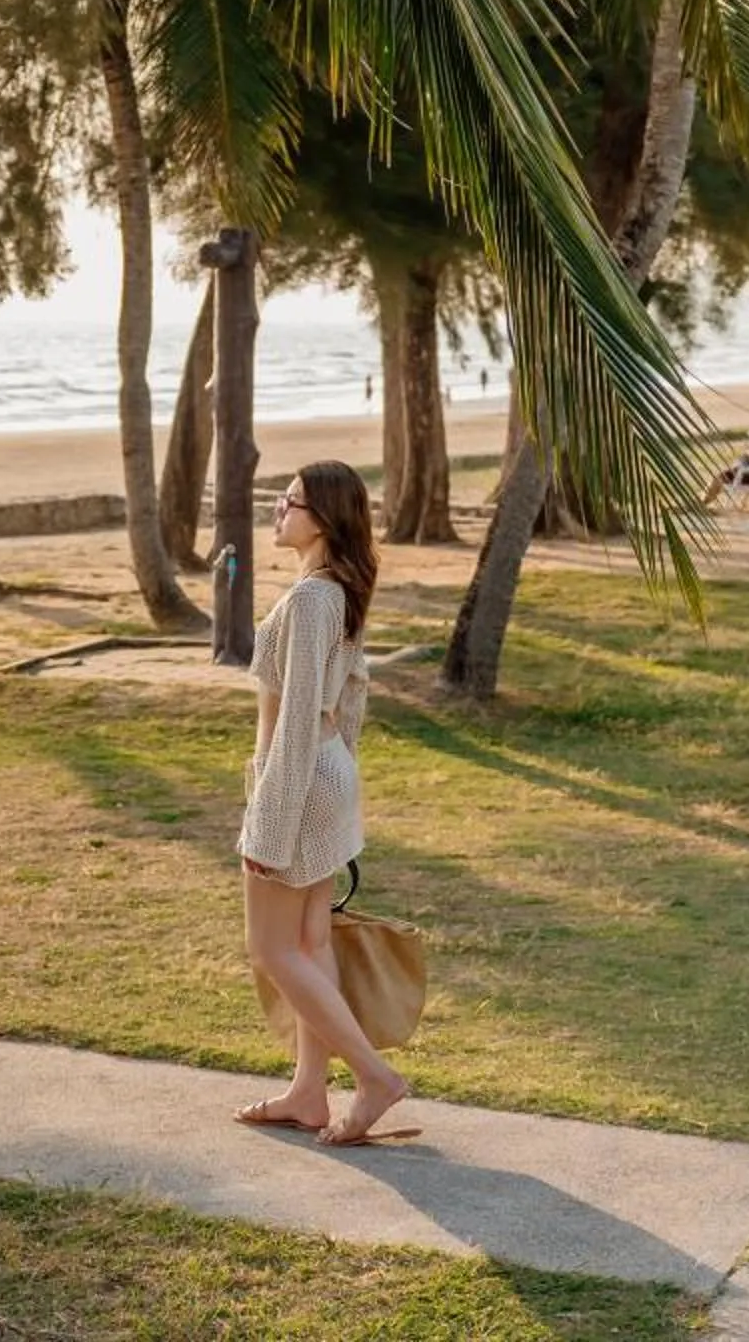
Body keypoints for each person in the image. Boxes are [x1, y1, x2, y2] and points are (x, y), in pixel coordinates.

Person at [232, 459, 409, 1147]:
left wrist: (267, 825)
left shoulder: (311, 601)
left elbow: (299, 718)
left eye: (293, 500)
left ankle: (374, 1077)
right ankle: (309, 1092)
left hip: (300, 781)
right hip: (325, 774)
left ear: (325, 518)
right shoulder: (335, 591)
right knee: (309, 941)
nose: (280, 509)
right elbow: (353, 695)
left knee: (272, 949)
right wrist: (344, 777)